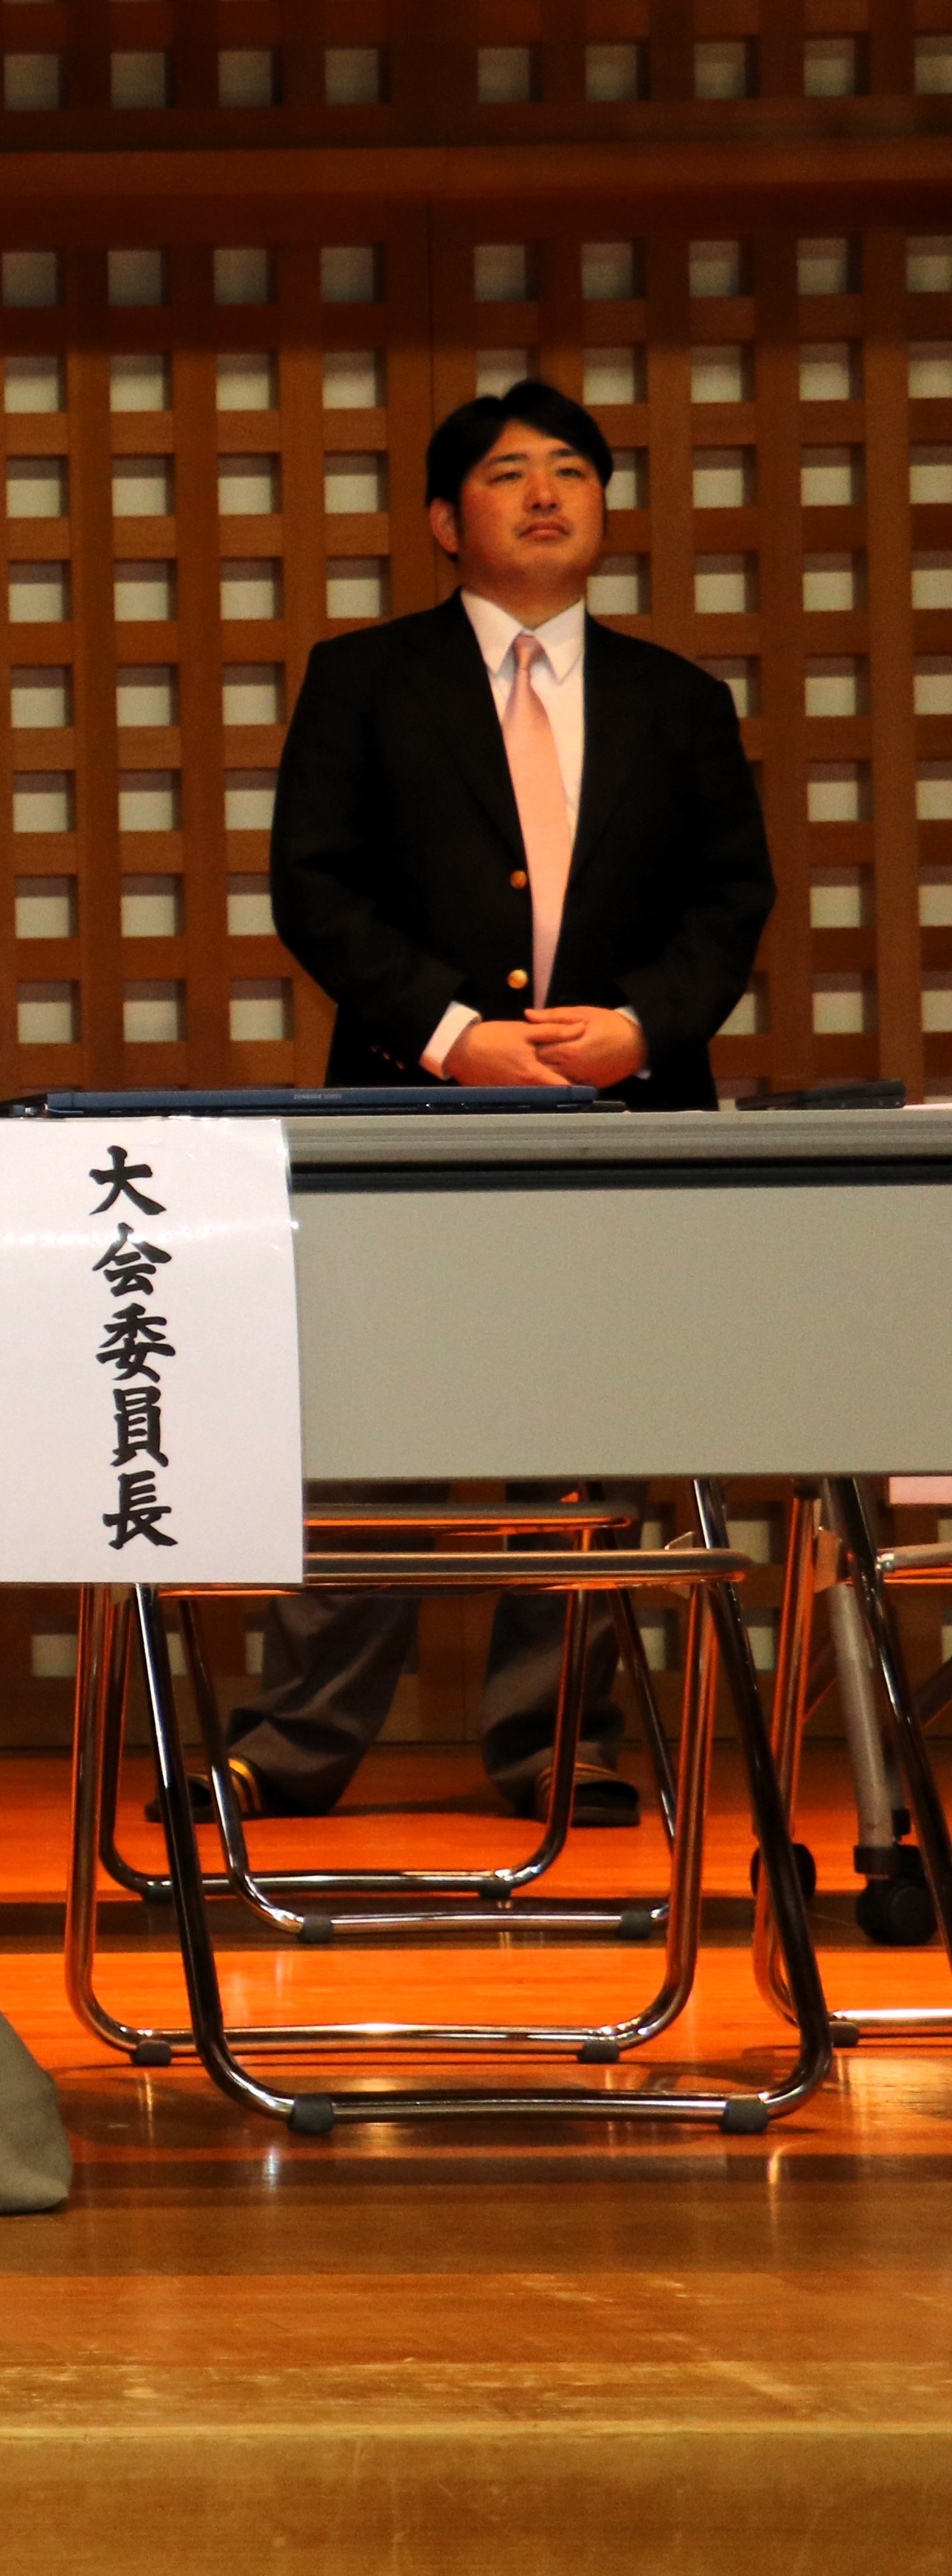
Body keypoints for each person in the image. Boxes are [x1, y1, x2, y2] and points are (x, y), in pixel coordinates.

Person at [221, 382, 773, 1824]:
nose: (546, 494)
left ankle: (558, 1742)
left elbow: (734, 899)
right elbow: (314, 885)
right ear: (442, 521)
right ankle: (293, 1746)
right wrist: (457, 1033)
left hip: (621, 1114)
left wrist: (642, 1025)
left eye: (573, 471)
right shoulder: (367, 677)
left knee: (586, 1425)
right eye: (511, 473)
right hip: (410, 1108)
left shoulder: (678, 699)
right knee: (367, 1427)